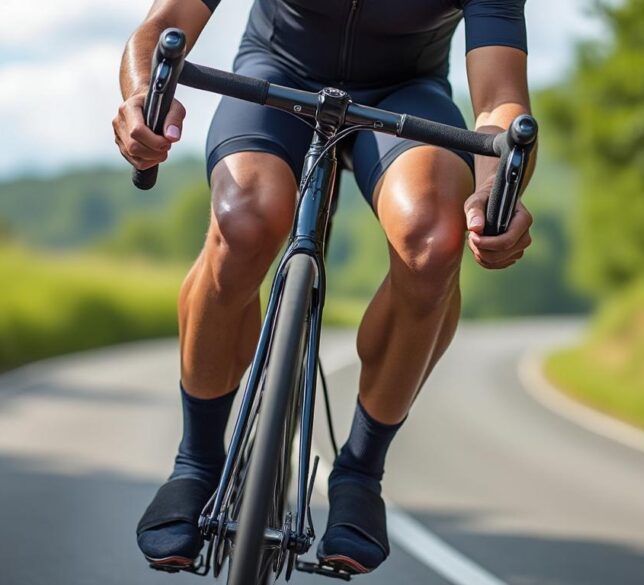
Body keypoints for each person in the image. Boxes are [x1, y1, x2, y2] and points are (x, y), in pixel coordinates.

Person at [113, 0, 534, 575]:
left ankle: (361, 472)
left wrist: (495, 192)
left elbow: (500, 101)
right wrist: (141, 96)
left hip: (404, 93)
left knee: (433, 243)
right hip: (275, 71)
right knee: (244, 223)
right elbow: (163, 29)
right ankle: (196, 462)